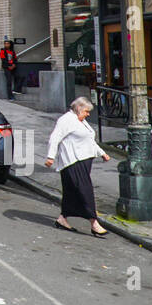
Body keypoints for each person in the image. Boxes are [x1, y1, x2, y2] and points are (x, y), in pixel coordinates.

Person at [45, 96, 111, 236]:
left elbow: (89, 140)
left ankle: (62, 219)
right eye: (86, 111)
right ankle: (94, 222)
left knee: (71, 191)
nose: (88, 114)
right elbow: (54, 138)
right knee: (85, 190)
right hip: (72, 161)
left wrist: (102, 153)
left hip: (84, 160)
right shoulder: (66, 120)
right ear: (78, 108)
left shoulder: (81, 121)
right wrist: (50, 156)